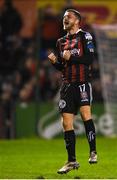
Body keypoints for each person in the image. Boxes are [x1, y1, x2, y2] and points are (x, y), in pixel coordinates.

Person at [48, 9, 97, 174]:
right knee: (66, 123)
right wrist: (55, 62)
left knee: (85, 114)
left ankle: (93, 152)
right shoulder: (60, 41)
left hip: (82, 83)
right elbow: (63, 66)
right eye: (63, 17)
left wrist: (72, 58)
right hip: (67, 85)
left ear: (77, 20)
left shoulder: (85, 36)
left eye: (68, 17)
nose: (65, 19)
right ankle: (71, 161)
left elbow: (89, 59)